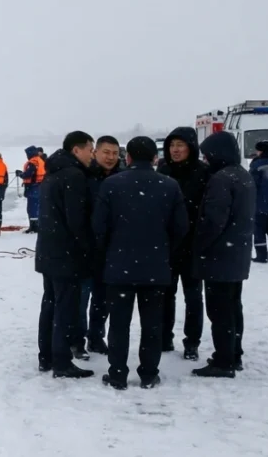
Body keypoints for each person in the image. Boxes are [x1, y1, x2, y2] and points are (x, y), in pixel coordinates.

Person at [93, 137, 189, 390]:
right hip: (156, 266)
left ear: (129, 158)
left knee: (118, 324)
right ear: (156, 158)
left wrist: (111, 251)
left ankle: (117, 374)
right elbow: (181, 227)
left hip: (119, 266)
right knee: (152, 325)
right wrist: (164, 250)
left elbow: (98, 228)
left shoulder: (111, 185)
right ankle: (148, 373)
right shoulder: (169, 185)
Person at [192, 131, 255, 378]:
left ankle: (223, 361)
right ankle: (234, 353)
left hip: (219, 257)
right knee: (233, 308)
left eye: (208, 155)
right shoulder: (242, 175)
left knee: (219, 311)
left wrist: (198, 245)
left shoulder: (221, 179)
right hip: (236, 256)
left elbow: (214, 221)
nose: (206, 160)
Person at [35, 131, 97, 379]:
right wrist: (88, 248)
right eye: (90, 150)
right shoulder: (73, 175)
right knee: (65, 308)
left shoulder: (53, 173)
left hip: (49, 251)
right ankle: (61, 361)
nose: (92, 155)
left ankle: (46, 356)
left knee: (50, 304)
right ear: (76, 150)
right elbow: (77, 220)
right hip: (66, 254)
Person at [156, 127, 210, 360]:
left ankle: (192, 342)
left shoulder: (204, 172)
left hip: (193, 245)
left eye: (180, 145)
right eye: (172, 145)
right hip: (167, 245)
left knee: (193, 296)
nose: (175, 150)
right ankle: (164, 337)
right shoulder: (164, 170)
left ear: (191, 147)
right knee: (165, 295)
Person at [75, 135, 124, 358]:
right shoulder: (84, 176)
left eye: (115, 153)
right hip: (86, 247)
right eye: (106, 152)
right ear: (95, 152)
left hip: (111, 249)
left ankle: (96, 337)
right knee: (81, 297)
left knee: (103, 299)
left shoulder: (122, 177)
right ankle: (77, 339)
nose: (111, 157)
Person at [15, 145, 45, 234]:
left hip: (33, 187)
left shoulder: (33, 162)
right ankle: (37, 225)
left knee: (32, 208)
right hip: (40, 186)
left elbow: (28, 174)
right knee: (38, 207)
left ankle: (34, 227)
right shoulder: (40, 160)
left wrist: (20, 174)